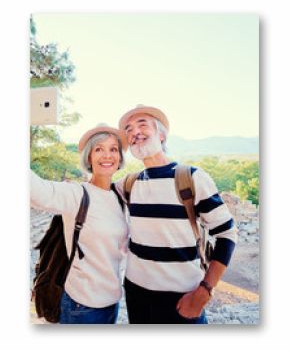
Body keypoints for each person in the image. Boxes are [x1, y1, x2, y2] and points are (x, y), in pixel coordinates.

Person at [116, 105, 237, 324]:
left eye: (142, 124)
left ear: (161, 135)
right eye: (128, 129)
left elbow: (227, 234)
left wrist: (205, 291)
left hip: (183, 296)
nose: (134, 132)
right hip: (136, 293)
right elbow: (95, 191)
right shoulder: (128, 184)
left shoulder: (192, 178)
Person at [30, 124, 129, 324]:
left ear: (119, 158)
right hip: (82, 305)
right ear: (89, 158)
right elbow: (37, 191)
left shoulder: (120, 195)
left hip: (112, 301)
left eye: (113, 149)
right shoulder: (76, 194)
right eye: (99, 149)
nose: (107, 155)